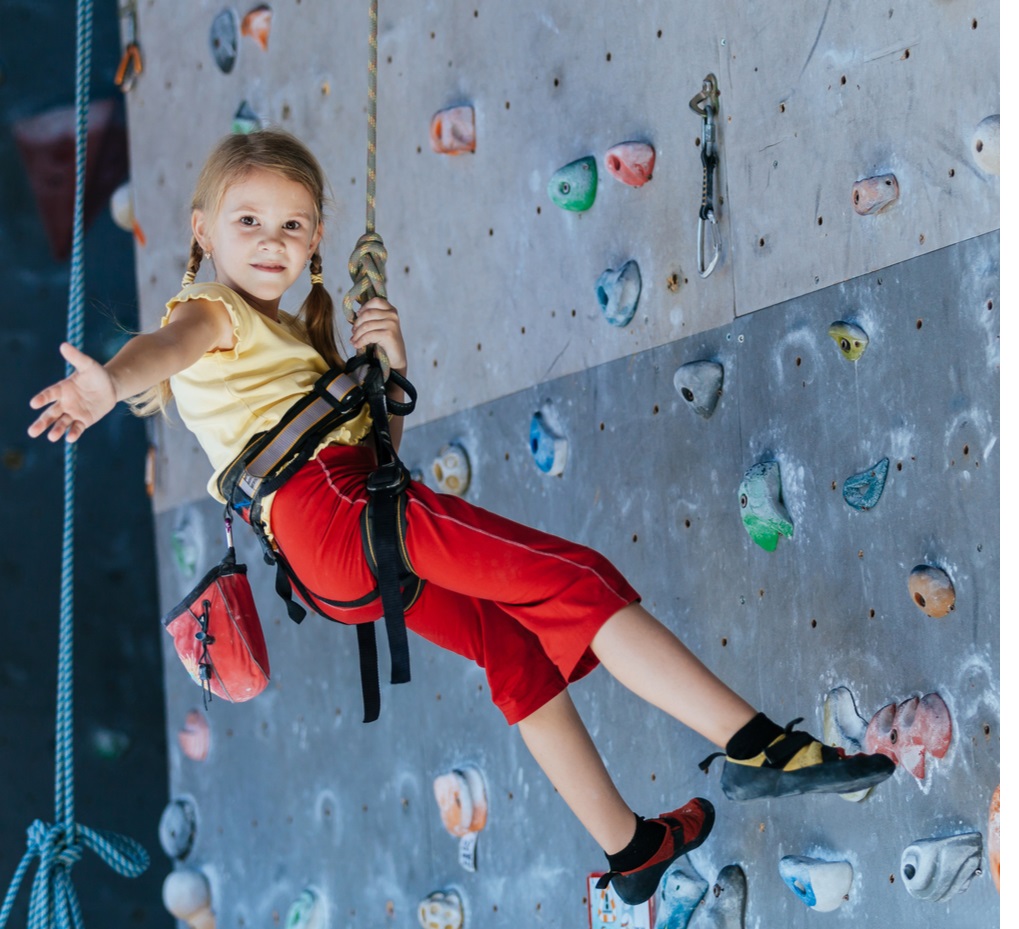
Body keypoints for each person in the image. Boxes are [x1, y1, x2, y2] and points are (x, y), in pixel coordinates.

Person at [28, 128, 894, 905]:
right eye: (247, 221)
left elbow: (381, 457)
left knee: (508, 644)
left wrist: (390, 370)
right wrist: (112, 380)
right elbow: (164, 348)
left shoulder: (297, 342)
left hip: (333, 553)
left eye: (291, 226)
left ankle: (628, 849)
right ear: (201, 229)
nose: (270, 242)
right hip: (331, 517)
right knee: (577, 579)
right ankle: (756, 745)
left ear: (316, 241)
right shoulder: (209, 315)